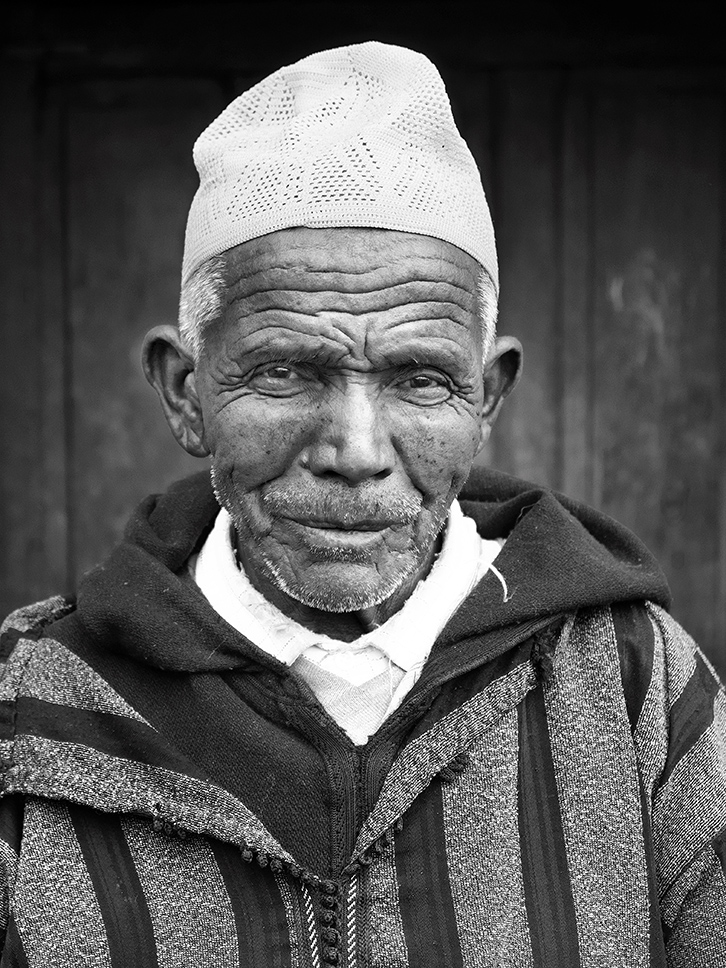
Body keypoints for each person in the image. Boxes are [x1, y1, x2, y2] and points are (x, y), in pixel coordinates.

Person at [0, 41, 724, 968]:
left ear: (486, 398)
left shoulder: (635, 689)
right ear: (187, 392)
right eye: (285, 372)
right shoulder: (31, 713)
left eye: (420, 380)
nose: (356, 452)